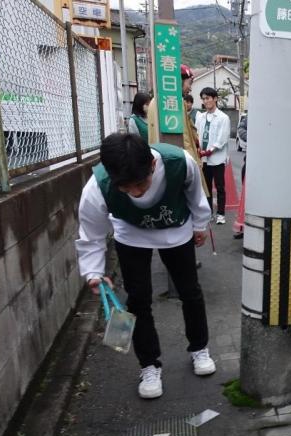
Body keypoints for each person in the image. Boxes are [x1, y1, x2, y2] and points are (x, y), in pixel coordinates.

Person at [75, 133, 216, 399]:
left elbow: (196, 193)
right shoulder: (97, 187)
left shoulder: (180, 162)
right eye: (126, 189)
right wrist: (93, 272)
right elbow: (91, 234)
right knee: (138, 301)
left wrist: (200, 224)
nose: (136, 193)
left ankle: (199, 348)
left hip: (176, 230)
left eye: (141, 184)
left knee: (190, 292)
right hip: (131, 235)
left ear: (152, 164)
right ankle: (149, 365)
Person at [195, 87, 231, 225]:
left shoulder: (223, 117)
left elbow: (222, 139)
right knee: (206, 187)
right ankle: (209, 213)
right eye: (203, 99)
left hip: (217, 159)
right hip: (203, 159)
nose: (206, 101)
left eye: (208, 98)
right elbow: (197, 134)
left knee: (220, 187)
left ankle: (221, 214)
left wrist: (209, 150)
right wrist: (199, 150)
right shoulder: (201, 117)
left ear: (215, 98)